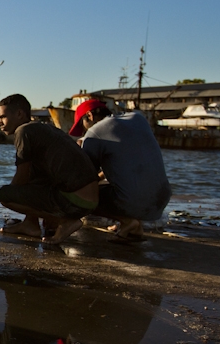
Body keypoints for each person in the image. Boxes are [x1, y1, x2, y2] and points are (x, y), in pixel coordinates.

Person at [0, 93, 99, 244]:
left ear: (19, 114)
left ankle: (64, 221)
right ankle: (31, 224)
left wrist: (14, 198)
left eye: (2, 117)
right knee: (34, 175)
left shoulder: (23, 131)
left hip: (74, 200)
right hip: (89, 200)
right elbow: (35, 177)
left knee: (5, 194)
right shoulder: (43, 129)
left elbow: (21, 176)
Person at [69, 99, 171, 242]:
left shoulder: (95, 133)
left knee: (81, 196)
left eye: (82, 124)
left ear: (90, 116)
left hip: (135, 202)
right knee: (128, 183)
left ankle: (129, 221)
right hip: (161, 199)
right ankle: (134, 225)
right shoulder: (138, 119)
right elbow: (127, 164)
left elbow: (85, 178)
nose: (85, 130)